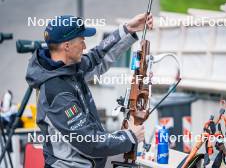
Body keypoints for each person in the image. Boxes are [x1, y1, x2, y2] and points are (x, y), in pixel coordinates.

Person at [26, 13, 153, 168]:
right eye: (82, 41)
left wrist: (128, 29)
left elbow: (97, 57)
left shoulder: (68, 68)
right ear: (67, 46)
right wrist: (129, 137)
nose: (85, 47)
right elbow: (89, 142)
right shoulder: (57, 92)